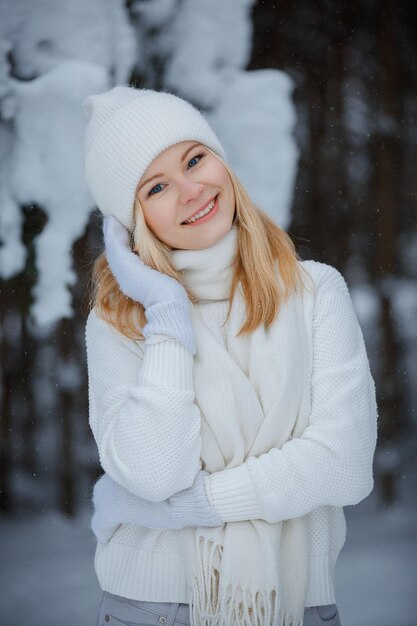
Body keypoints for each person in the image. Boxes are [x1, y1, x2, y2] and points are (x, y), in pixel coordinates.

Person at [82, 86, 378, 626]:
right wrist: (168, 316)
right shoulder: (121, 321)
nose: (192, 190)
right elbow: (154, 473)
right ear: (133, 220)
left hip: (294, 604)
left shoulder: (314, 292)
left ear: (222, 159)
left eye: (195, 158)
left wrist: (198, 505)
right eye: (157, 187)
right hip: (150, 607)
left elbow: (345, 463)